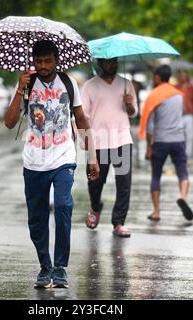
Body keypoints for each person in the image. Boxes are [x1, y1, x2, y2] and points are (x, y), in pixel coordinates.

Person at [4, 40, 100, 289]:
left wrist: (92, 156)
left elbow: (81, 119)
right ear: (33, 61)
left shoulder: (69, 83)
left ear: (57, 60)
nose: (43, 66)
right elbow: (9, 122)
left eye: (48, 61)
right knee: (36, 219)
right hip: (33, 160)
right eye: (38, 61)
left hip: (63, 156)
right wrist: (19, 90)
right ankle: (45, 266)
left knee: (64, 206)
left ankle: (60, 267)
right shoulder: (26, 83)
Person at [81, 57, 138, 237]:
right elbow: (83, 116)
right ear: (99, 63)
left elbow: (133, 112)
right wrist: (85, 140)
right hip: (99, 141)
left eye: (114, 62)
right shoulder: (89, 86)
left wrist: (129, 104)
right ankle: (96, 207)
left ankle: (118, 222)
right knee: (95, 181)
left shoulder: (126, 84)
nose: (111, 65)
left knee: (124, 183)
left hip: (122, 139)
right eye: (107, 62)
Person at [138, 65, 193, 222]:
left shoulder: (154, 96)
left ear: (157, 77)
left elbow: (150, 126)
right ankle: (183, 197)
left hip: (161, 141)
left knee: (156, 176)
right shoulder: (178, 95)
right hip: (178, 140)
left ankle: (156, 212)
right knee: (182, 172)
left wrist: (149, 147)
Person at [175, 69, 193, 159]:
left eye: (184, 75)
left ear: (187, 76)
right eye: (180, 75)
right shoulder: (175, 87)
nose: (182, 77)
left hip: (189, 114)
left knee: (189, 136)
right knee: (178, 135)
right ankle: (179, 154)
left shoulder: (191, 87)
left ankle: (188, 155)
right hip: (178, 115)